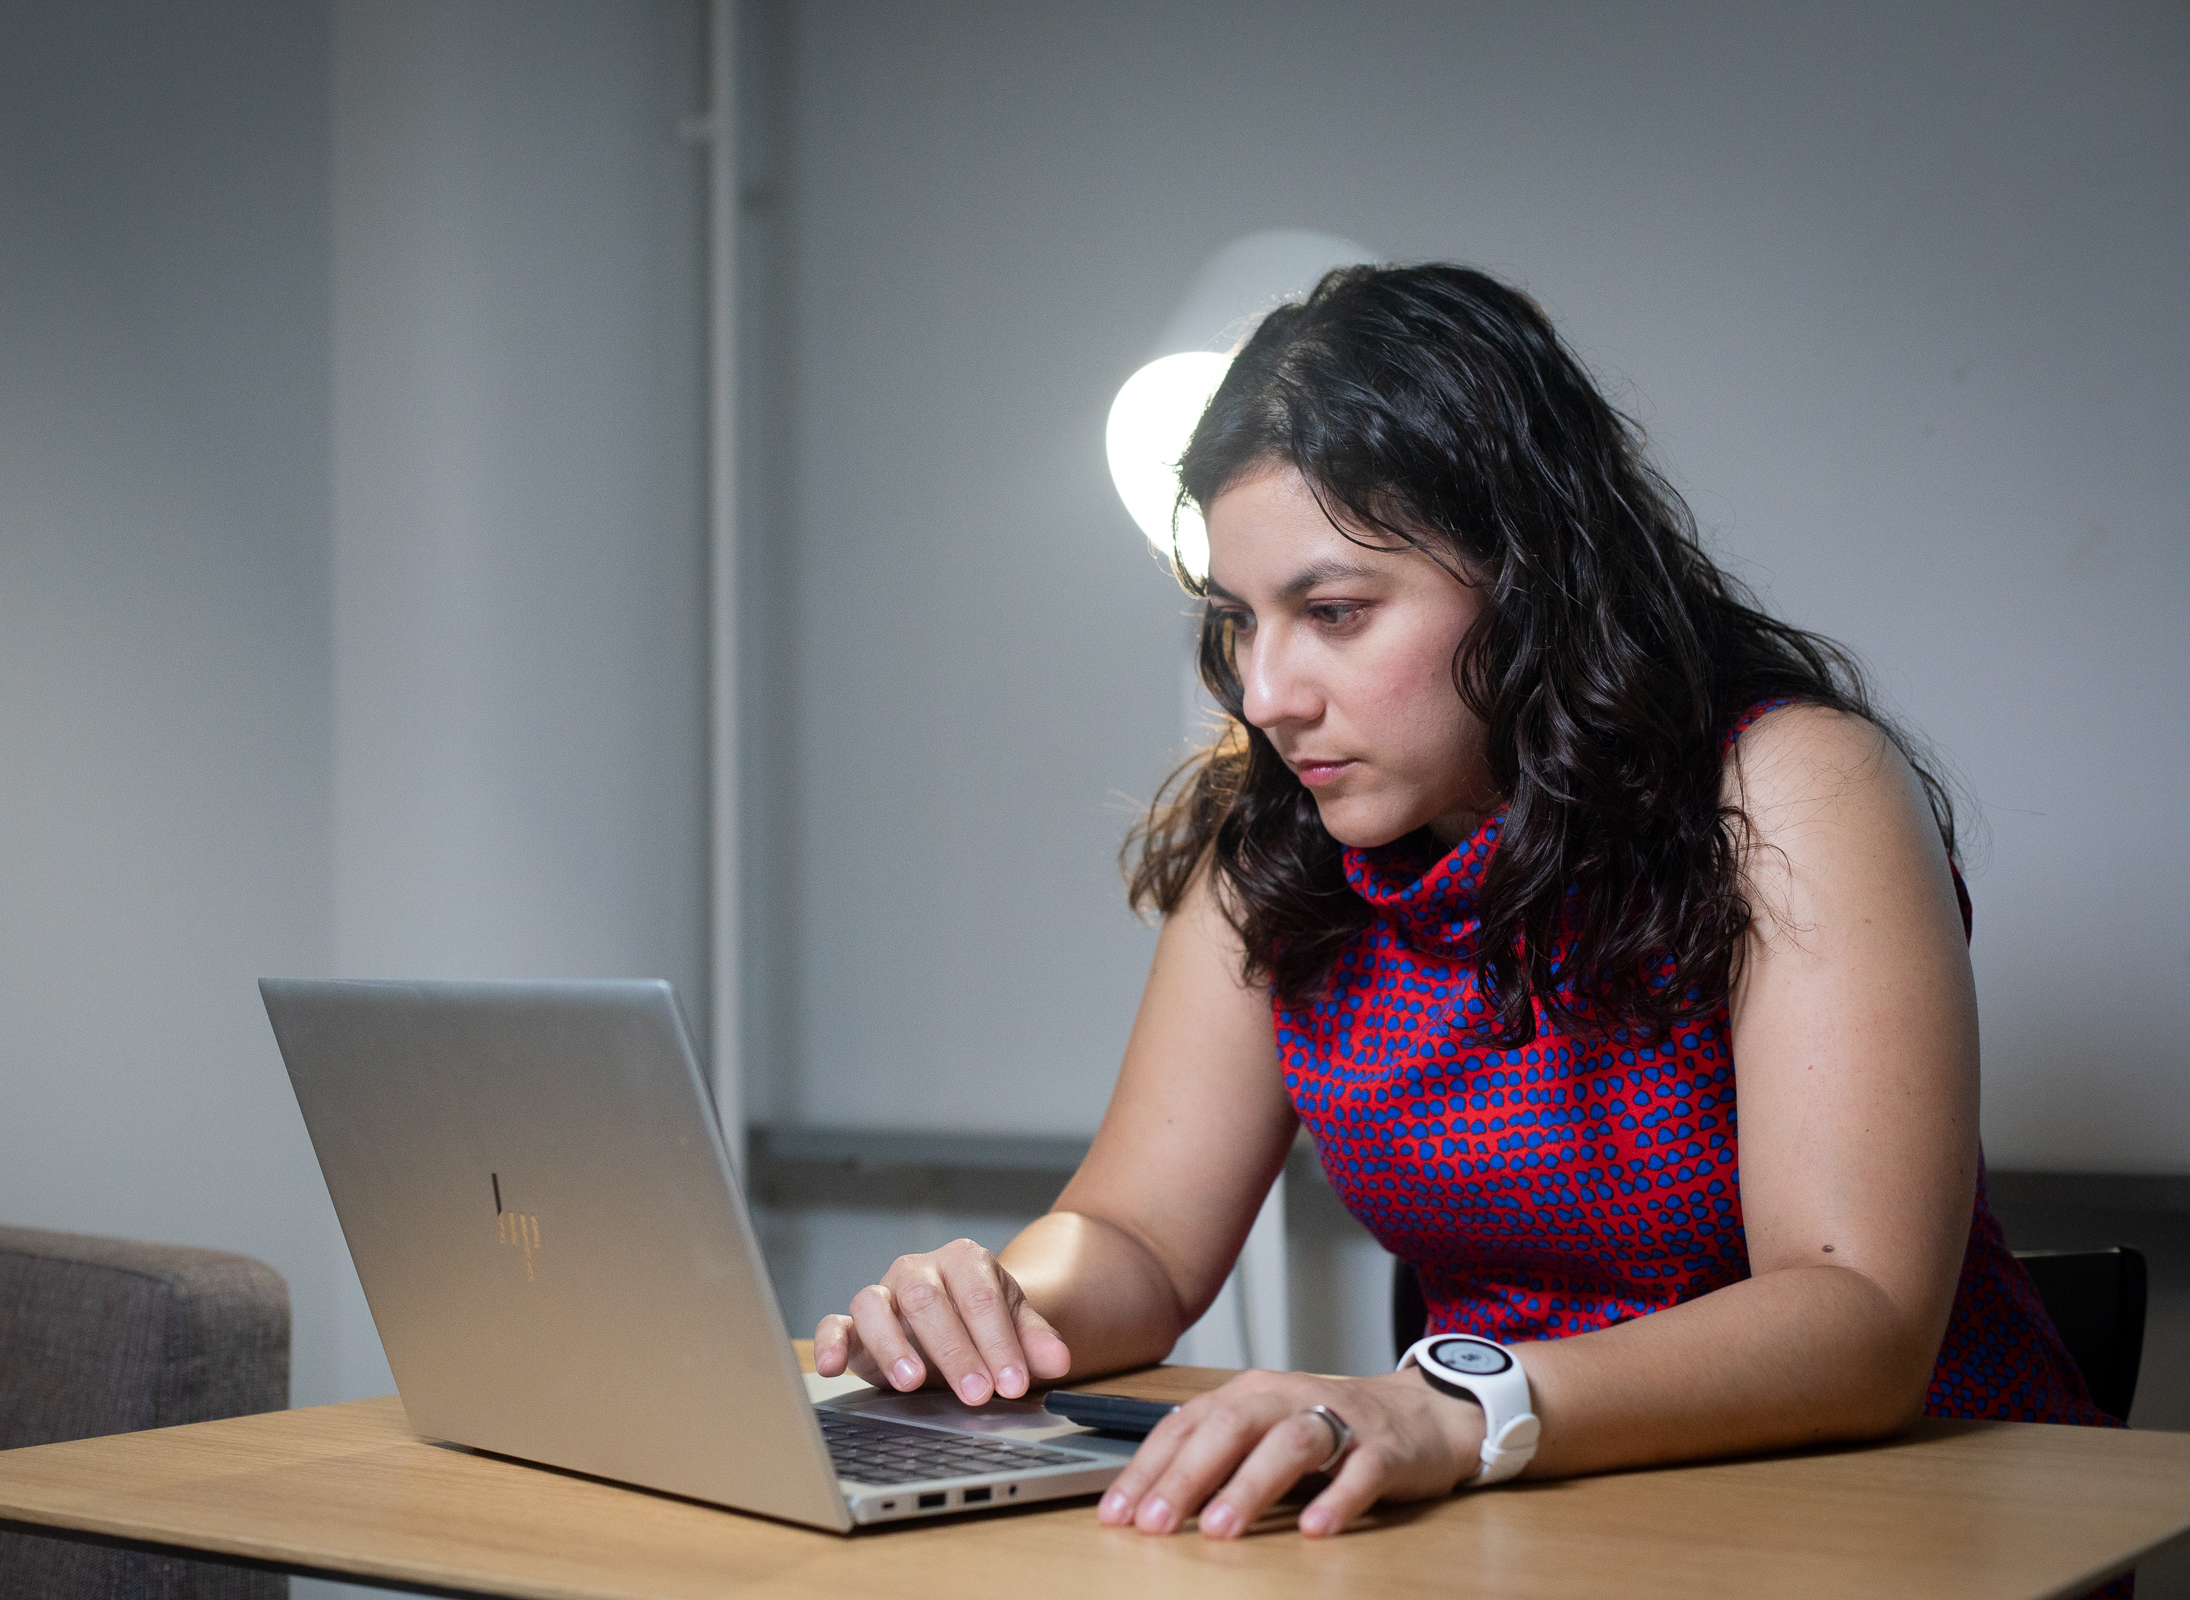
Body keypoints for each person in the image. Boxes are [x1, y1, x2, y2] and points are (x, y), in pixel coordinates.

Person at [811, 263, 2111, 1542]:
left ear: (1531, 579)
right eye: (1239, 620)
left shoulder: (1786, 785)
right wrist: (988, 1307)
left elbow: (1860, 1316)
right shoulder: (1275, 840)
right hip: (1526, 1528)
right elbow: (1135, 1239)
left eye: (1332, 611)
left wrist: (1453, 1408)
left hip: (1883, 1534)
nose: (1265, 694)